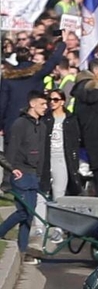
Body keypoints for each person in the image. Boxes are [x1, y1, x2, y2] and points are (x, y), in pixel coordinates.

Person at [0, 91, 49, 264]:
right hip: (20, 172)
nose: (46, 107)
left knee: (29, 215)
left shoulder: (42, 126)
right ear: (33, 104)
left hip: (33, 174)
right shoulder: (20, 124)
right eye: (43, 104)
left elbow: (42, 153)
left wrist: (42, 176)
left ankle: (22, 250)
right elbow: (11, 150)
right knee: (24, 211)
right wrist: (10, 173)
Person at [44, 88, 82, 199]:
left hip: (61, 157)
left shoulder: (70, 119)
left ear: (62, 101)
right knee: (43, 189)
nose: (52, 102)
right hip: (46, 157)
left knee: (59, 189)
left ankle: (56, 212)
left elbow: (75, 139)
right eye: (49, 99)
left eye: (55, 99)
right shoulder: (45, 118)